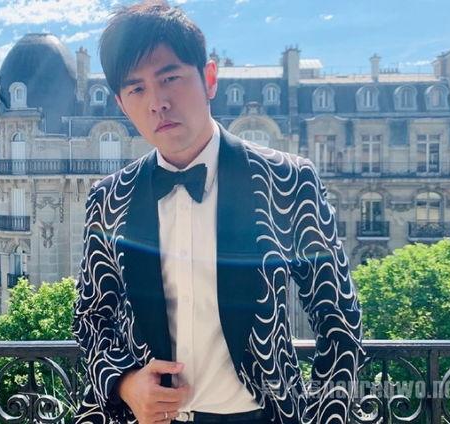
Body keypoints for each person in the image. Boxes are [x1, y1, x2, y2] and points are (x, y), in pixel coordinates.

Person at [72, 2, 367, 424]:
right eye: (137, 89)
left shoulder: (288, 179)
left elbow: (338, 317)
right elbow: (91, 316)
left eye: (170, 78)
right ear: (121, 104)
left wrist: (324, 417)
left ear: (209, 78)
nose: (157, 102)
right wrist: (125, 382)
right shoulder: (108, 198)